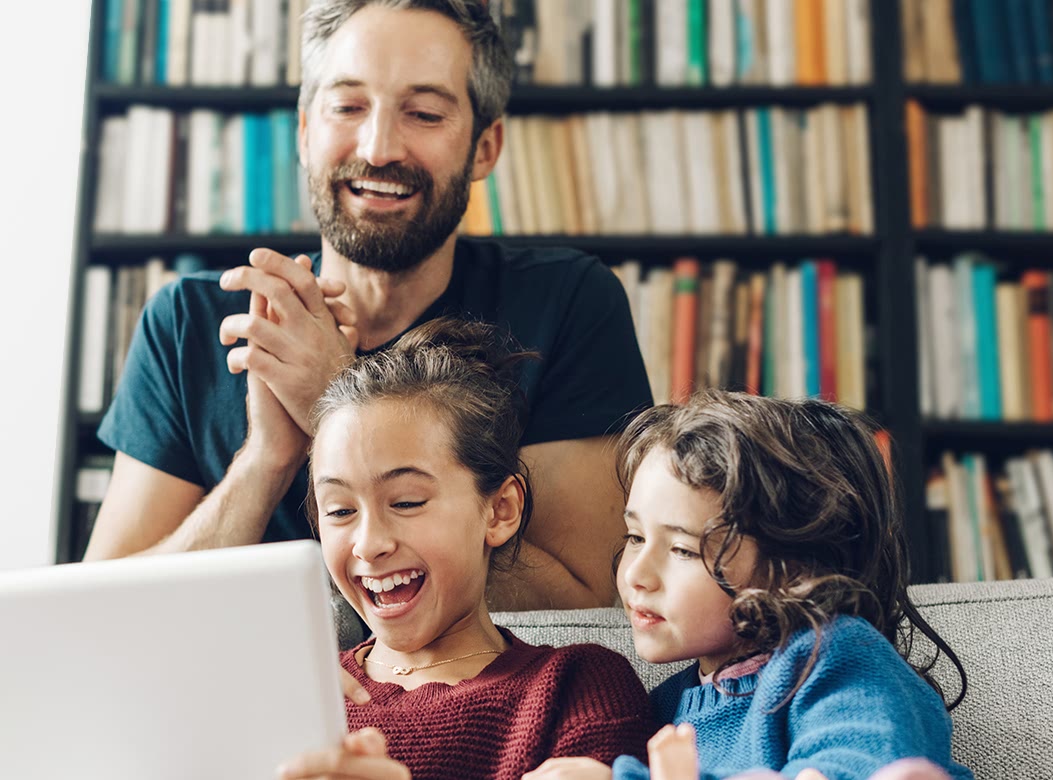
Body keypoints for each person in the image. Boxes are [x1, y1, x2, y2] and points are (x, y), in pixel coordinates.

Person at [84, 0, 652, 611]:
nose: (379, 148)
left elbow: (587, 601)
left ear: (485, 148)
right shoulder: (189, 325)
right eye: (348, 107)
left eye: (425, 113)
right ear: (305, 133)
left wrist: (339, 406)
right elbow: (102, 611)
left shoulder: (566, 303)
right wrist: (264, 461)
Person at [524, 393, 973, 780]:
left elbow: (854, 766)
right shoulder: (662, 707)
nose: (637, 574)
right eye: (636, 537)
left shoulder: (834, 657)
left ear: (792, 567)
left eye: (682, 550)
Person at [277, 318, 652, 780]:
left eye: (407, 501)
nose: (369, 544)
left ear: (499, 511)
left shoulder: (577, 687)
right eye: (339, 511)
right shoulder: (298, 696)